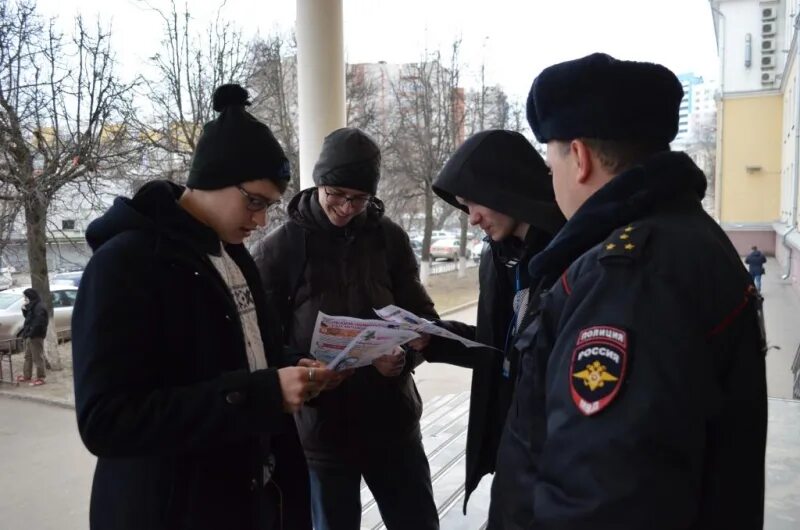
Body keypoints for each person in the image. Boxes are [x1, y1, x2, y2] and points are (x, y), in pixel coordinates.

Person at [490, 53, 768, 529]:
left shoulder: (626, 279)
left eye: (550, 161)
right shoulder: (684, 239)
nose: (550, 177)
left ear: (578, 158)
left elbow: (601, 501)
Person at [71, 84, 331, 530]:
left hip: (252, 501)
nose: (261, 220)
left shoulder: (234, 255)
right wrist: (263, 393)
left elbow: (242, 356)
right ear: (212, 176)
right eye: (254, 201)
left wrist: (292, 368)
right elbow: (106, 421)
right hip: (172, 509)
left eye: (270, 207)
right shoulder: (124, 264)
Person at [253, 127, 439, 530]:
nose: (346, 207)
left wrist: (406, 356)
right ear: (318, 183)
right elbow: (261, 340)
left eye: (359, 198)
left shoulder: (389, 238)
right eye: (336, 193)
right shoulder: (279, 248)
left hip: (393, 422)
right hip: (322, 430)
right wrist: (298, 364)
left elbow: (422, 316)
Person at [420, 129, 564, 512]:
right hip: (512, 446)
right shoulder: (498, 258)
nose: (473, 219)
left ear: (506, 188)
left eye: (476, 203)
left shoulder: (570, 258)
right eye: (465, 207)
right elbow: (501, 348)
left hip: (555, 460)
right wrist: (433, 338)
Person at [18, 287, 48, 386]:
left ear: (30, 297)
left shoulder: (39, 307)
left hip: (36, 336)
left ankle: (41, 378)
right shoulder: (33, 305)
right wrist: (24, 310)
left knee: (37, 357)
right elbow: (29, 319)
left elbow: (39, 323)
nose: (24, 299)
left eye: (25, 297)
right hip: (29, 335)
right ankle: (27, 375)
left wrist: (31, 334)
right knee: (28, 356)